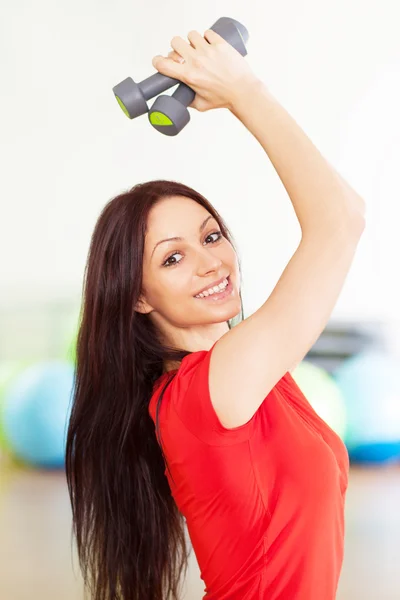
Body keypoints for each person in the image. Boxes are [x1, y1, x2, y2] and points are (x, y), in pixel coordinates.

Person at [65, 27, 366, 600]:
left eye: (212, 236)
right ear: (137, 296)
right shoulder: (206, 393)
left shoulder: (251, 373)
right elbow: (341, 220)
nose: (210, 263)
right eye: (173, 257)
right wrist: (242, 92)